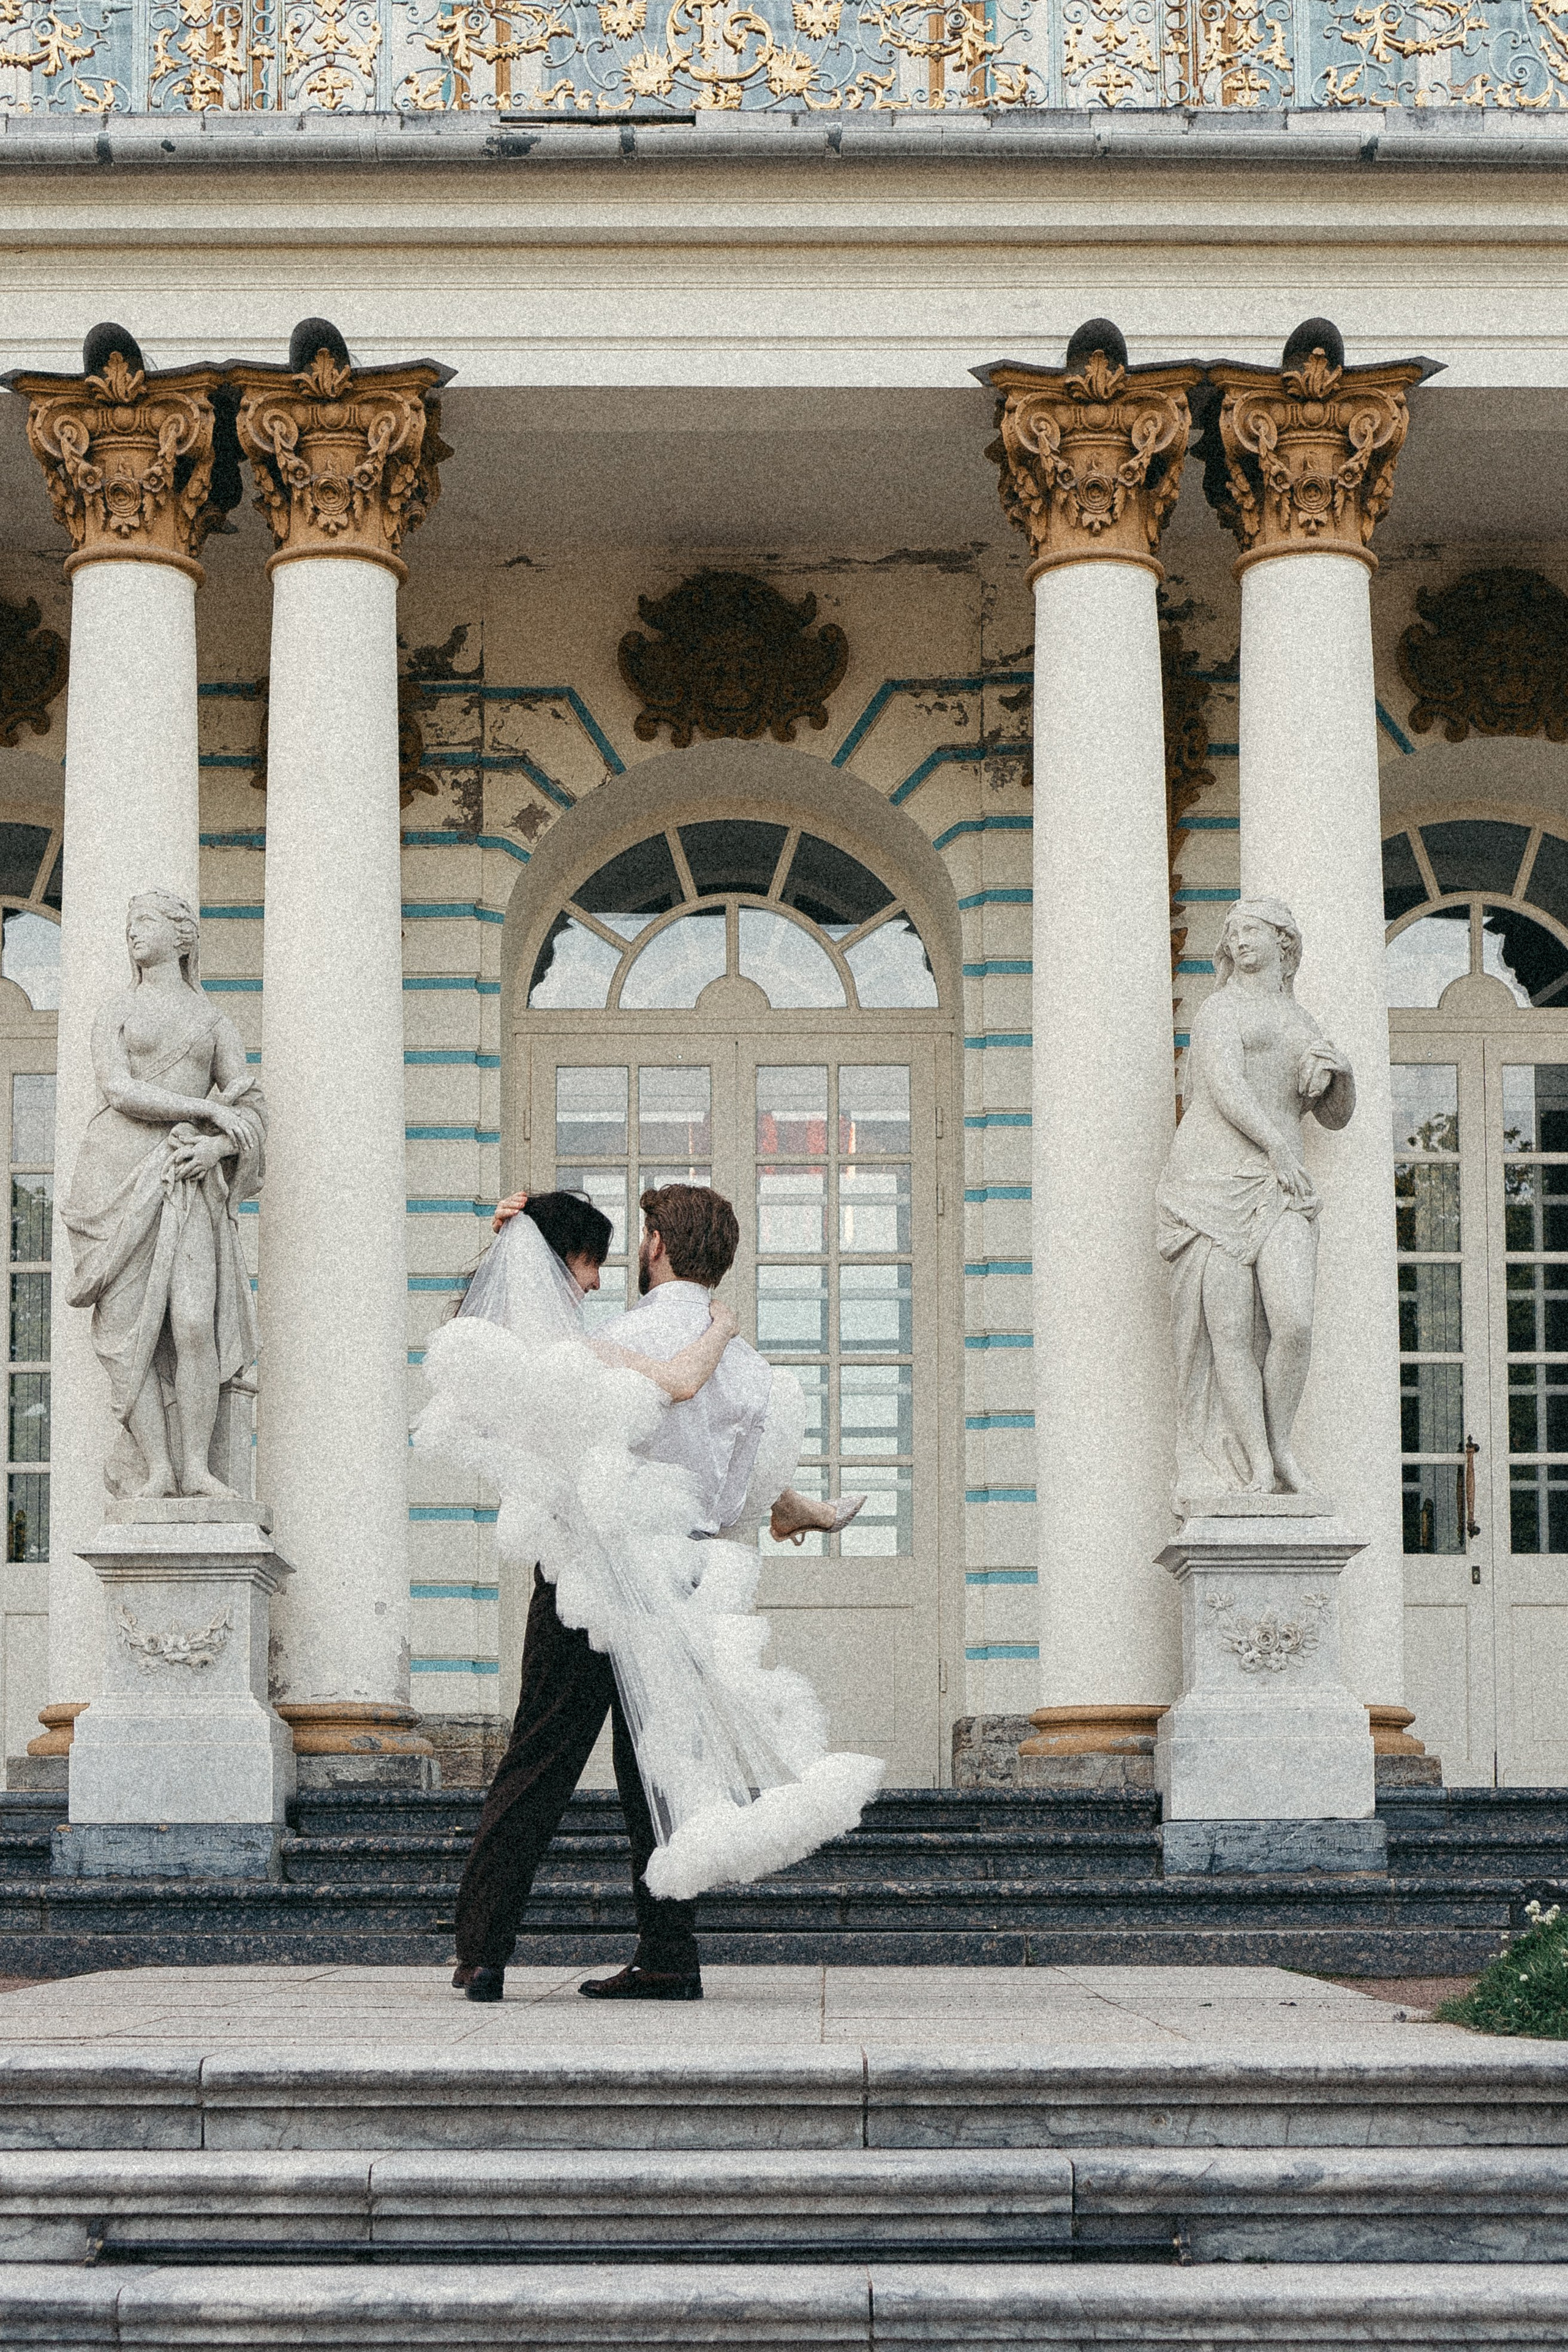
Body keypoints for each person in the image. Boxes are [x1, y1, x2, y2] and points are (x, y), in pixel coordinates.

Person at [425, 1184, 881, 2006]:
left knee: (541, 1759)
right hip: (682, 1578)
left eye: (636, 1241)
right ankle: (669, 1952)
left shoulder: (612, 1340)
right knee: (662, 1770)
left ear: (658, 1245)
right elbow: (739, 1499)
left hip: (589, 1575)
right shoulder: (751, 1374)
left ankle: (484, 1952)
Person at [64, 891, 266, 1500]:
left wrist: (217, 1148)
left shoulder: (213, 1022)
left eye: (145, 922)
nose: (133, 933)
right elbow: (118, 1089)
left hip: (186, 1177)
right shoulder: (117, 1012)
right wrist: (206, 1109)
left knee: (195, 1322)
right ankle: (158, 1469)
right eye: (130, 924)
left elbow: (253, 1107)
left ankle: (198, 1467)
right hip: (115, 1177)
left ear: (182, 937)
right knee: (133, 1337)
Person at [1156, 897, 1355, 1508]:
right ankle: (1261, 1465)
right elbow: (1223, 1085)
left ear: (1283, 941)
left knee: (1293, 1322)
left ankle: (1282, 1443)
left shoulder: (1303, 1020)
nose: (1239, 940)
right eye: (1233, 932)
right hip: (1213, 1179)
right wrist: (1275, 1146)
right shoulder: (1220, 1009)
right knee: (1230, 1334)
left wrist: (1343, 1075)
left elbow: (1333, 1116)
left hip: (1280, 1183)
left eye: (1251, 930)